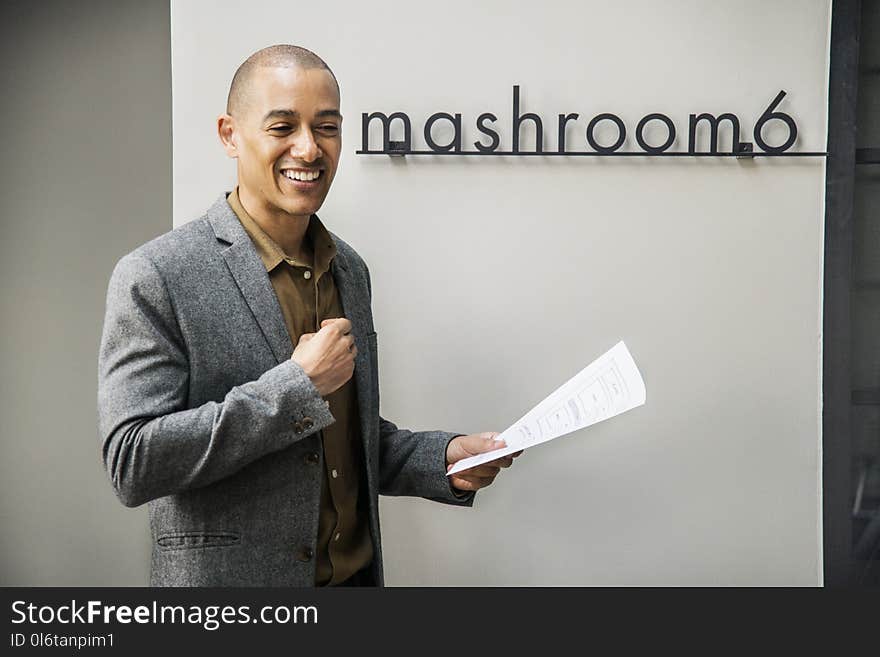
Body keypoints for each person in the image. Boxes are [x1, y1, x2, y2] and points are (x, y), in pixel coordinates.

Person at [97, 44, 519, 587]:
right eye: (282, 127)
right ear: (230, 134)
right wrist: (295, 387)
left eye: (327, 127)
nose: (309, 148)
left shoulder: (350, 270)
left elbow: (344, 441)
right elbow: (133, 463)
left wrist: (445, 459)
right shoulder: (157, 275)